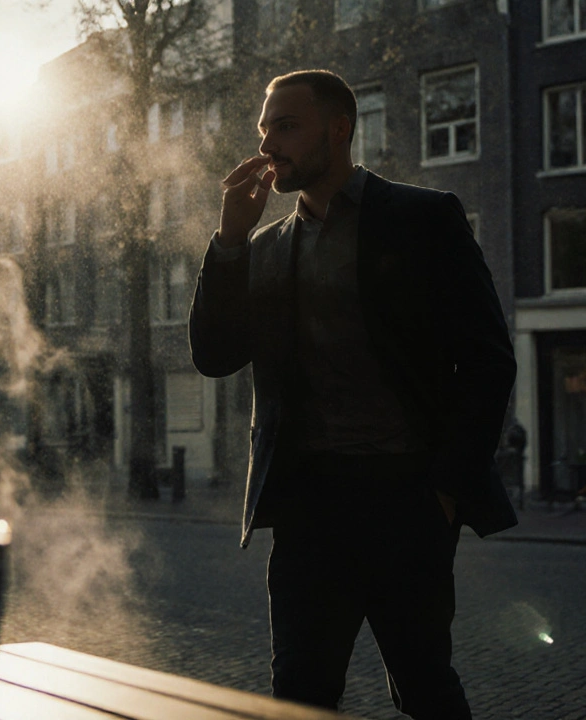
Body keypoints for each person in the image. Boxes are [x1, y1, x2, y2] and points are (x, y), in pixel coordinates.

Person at [188, 69, 517, 720]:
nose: (267, 144)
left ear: (338, 130)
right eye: (263, 128)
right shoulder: (265, 247)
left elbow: (487, 359)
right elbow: (214, 355)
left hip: (407, 501)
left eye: (285, 126)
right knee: (301, 696)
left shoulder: (422, 217)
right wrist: (227, 241)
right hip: (307, 511)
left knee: (425, 688)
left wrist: (445, 492)